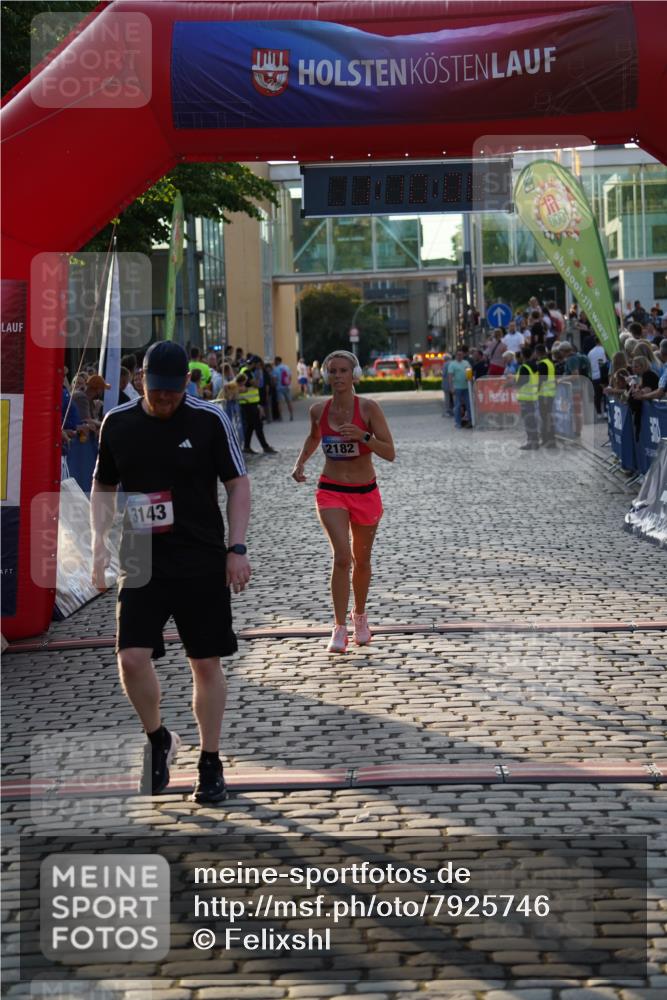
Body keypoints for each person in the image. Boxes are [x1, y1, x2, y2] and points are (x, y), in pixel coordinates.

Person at [90, 341, 250, 804]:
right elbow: (104, 487)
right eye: (156, 391)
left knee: (205, 662)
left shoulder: (208, 419)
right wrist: (98, 547)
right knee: (131, 658)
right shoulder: (117, 423)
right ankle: (158, 736)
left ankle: (210, 760)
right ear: (141, 380)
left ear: (186, 383)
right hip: (140, 554)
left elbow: (238, 484)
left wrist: (236, 548)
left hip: (201, 554)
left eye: (172, 393)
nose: (163, 400)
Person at [291, 351, 395, 653]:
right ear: (325, 376)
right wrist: (300, 464)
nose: (337, 376)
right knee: (342, 558)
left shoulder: (369, 408)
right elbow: (314, 438)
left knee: (362, 562)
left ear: (354, 375)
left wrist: (364, 437)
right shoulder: (318, 411)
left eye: (343, 371)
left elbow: (389, 452)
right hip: (330, 490)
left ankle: (359, 616)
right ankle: (338, 628)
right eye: (332, 371)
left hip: (365, 492)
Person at [237, 371, 277, 455]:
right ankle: (265, 447)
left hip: (251, 404)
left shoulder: (250, 372)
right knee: (258, 425)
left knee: (250, 426)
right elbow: (257, 385)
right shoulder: (246, 372)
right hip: (248, 404)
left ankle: (247, 447)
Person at [515, 345, 540, 450]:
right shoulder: (535, 365)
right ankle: (535, 441)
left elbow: (522, 382)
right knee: (532, 420)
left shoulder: (525, 367)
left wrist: (514, 383)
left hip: (526, 397)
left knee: (528, 420)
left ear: (523, 356)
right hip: (533, 396)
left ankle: (531, 442)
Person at [534, 344, 557, 448]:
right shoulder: (550, 363)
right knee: (547, 417)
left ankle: (549, 440)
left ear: (538, 352)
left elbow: (541, 380)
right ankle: (548, 439)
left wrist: (536, 390)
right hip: (550, 393)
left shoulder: (542, 364)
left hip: (544, 394)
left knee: (545, 418)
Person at [447, 349, 472, 428]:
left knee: (469, 404)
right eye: (458, 354)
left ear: (463, 355)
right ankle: (458, 422)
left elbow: (470, 372)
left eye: (461, 354)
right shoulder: (452, 364)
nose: (460, 356)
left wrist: (470, 380)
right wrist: (451, 387)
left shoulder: (466, 363)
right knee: (457, 405)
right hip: (457, 387)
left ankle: (470, 420)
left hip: (466, 387)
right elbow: (450, 376)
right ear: (456, 355)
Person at [273, 356, 294, 421]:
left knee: (280, 403)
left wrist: (274, 385)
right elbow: (290, 377)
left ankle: (281, 417)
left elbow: (274, 379)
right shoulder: (287, 367)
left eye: (275, 361)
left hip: (279, 387)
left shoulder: (275, 369)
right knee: (289, 402)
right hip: (287, 387)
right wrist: (289, 384)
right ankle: (291, 415)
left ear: (277, 361)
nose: (274, 362)